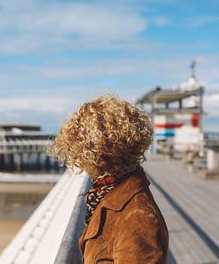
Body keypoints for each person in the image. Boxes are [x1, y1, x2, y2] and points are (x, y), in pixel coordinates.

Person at [51, 95, 168, 263]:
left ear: (98, 154)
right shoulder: (109, 194)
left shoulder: (137, 216)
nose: (79, 162)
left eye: (80, 153)